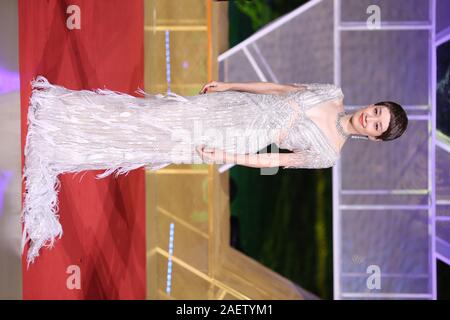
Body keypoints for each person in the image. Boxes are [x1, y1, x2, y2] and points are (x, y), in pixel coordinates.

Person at [22, 76, 408, 264]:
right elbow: (279, 89)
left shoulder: (329, 154)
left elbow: (275, 160)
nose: (369, 118)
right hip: (233, 106)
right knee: (159, 112)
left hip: (240, 135)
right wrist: (229, 85)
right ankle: (65, 117)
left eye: (376, 125)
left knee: (157, 140)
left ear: (374, 138)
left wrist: (228, 154)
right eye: (376, 111)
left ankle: (66, 145)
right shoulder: (332, 93)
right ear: (373, 104)